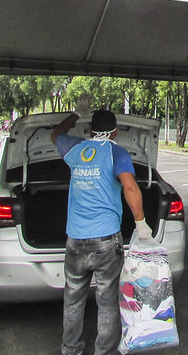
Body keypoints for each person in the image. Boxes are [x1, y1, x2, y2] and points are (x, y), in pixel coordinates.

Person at [50, 97, 153, 355]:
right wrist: (141, 223)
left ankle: (70, 350)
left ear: (89, 131)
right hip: (106, 242)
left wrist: (76, 114)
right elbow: (130, 186)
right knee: (107, 303)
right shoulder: (117, 153)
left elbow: (56, 134)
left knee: (73, 300)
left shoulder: (75, 149)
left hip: (75, 240)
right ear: (115, 132)